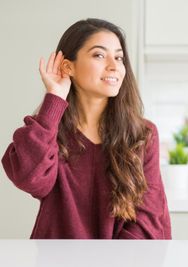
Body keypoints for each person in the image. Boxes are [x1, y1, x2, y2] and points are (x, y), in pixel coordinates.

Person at [1, 18, 171, 239]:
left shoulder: (142, 134)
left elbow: (148, 220)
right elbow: (30, 179)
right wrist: (54, 98)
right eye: (99, 55)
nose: (114, 66)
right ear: (68, 66)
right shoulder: (48, 129)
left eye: (119, 57)